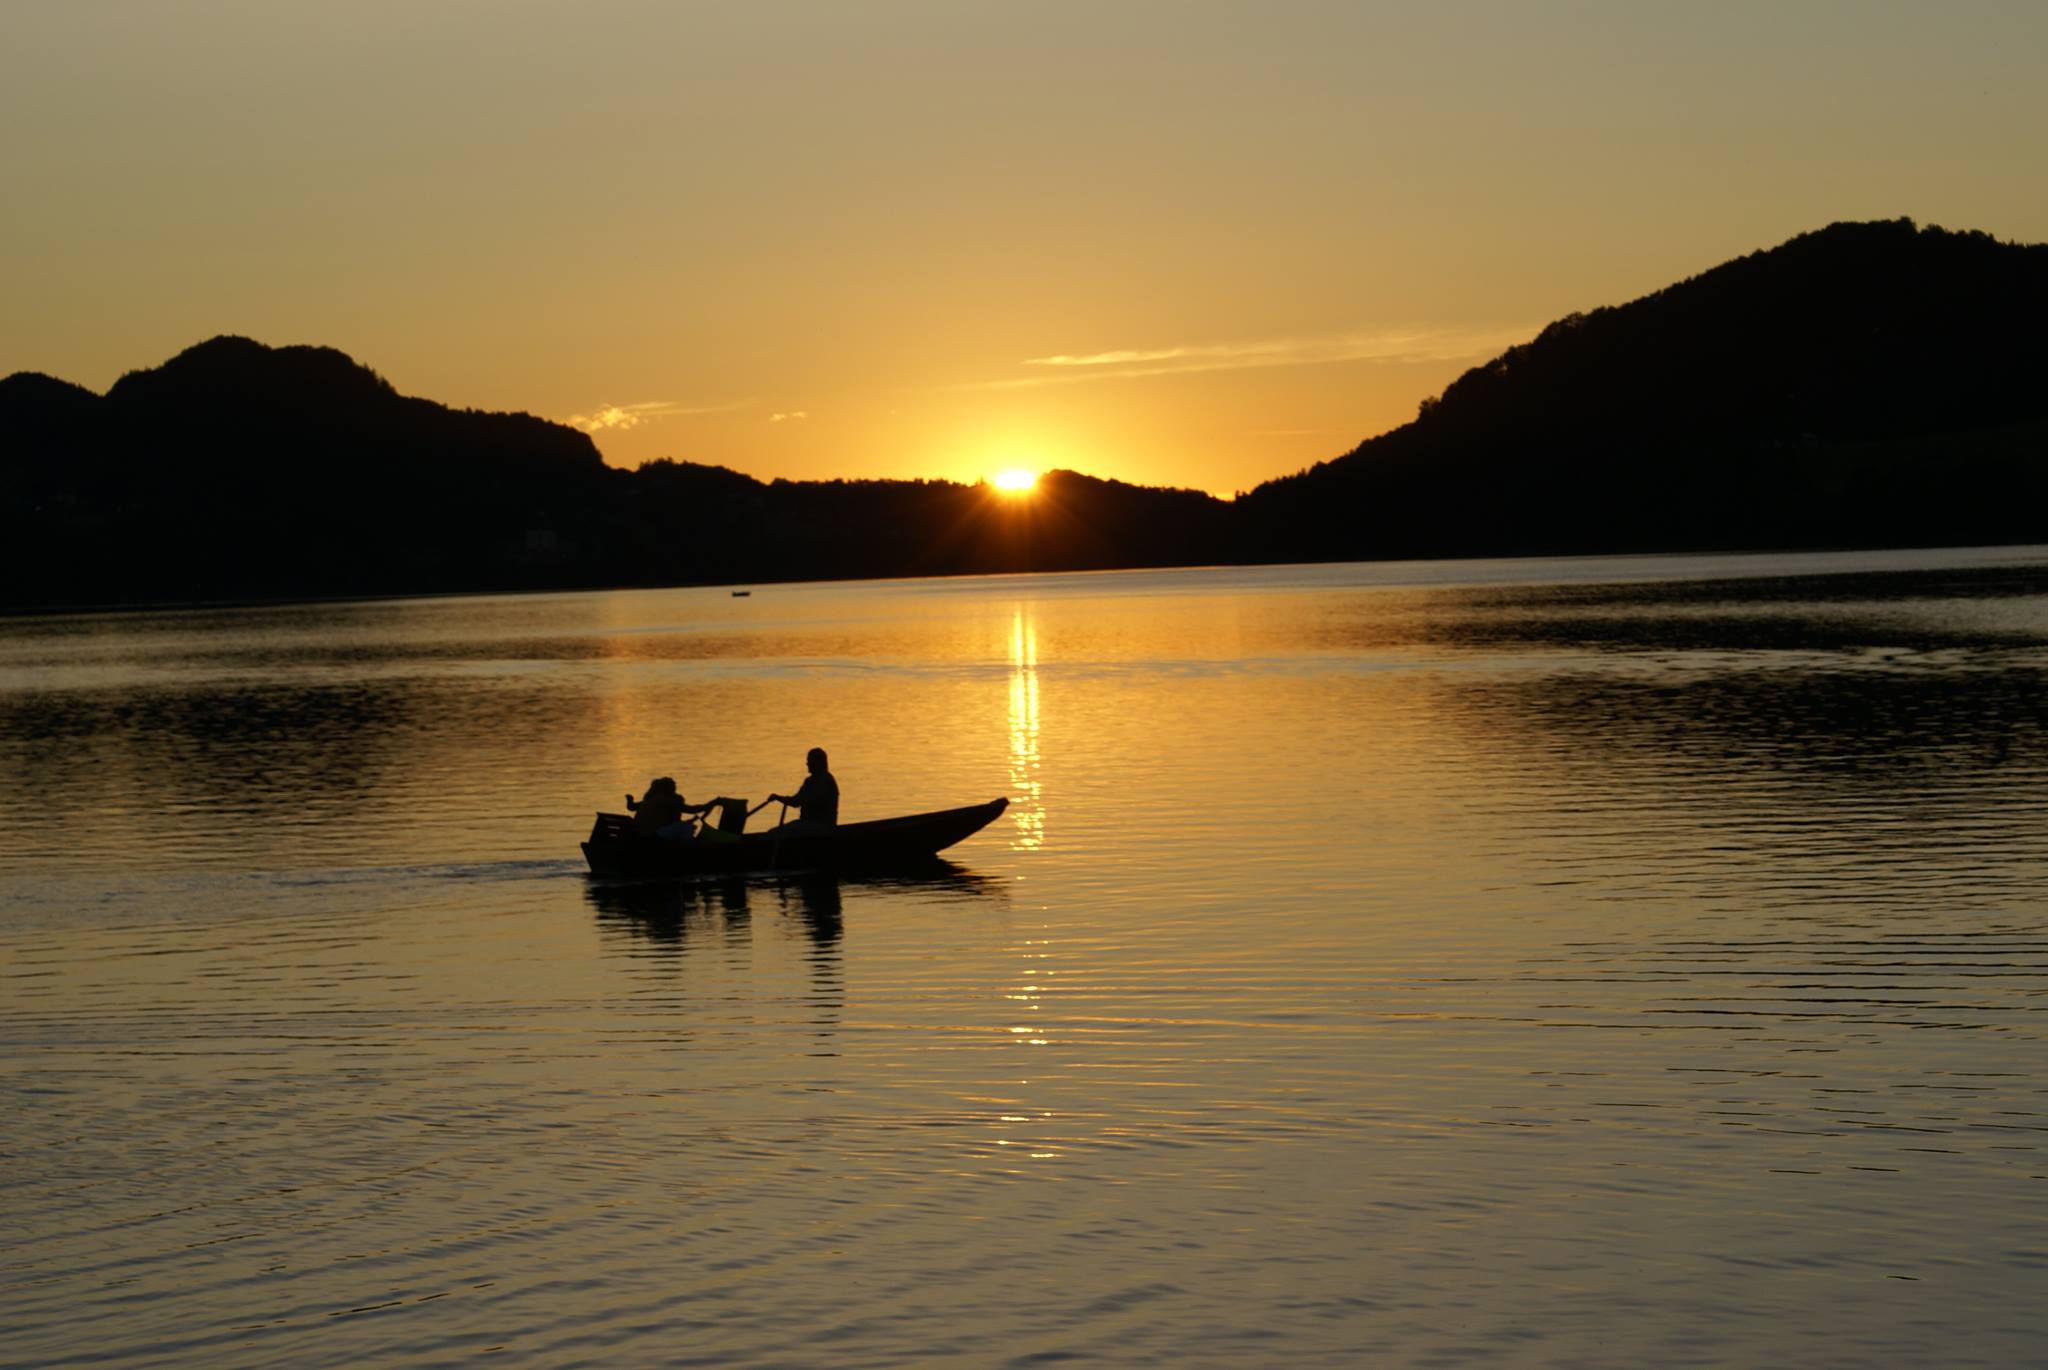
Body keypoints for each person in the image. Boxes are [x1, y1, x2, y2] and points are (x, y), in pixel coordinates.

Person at [768, 747, 839, 835]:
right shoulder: (809, 781)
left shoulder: (825, 780)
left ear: (818, 763)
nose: (807, 764)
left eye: (810, 761)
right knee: (773, 832)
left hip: (821, 826)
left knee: (774, 834)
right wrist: (778, 798)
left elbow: (799, 801)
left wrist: (779, 798)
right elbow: (796, 801)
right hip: (807, 824)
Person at [627, 776, 715, 840]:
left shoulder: (649, 800)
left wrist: (630, 800)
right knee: (686, 827)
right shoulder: (667, 800)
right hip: (652, 835)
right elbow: (691, 810)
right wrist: (711, 804)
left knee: (683, 826)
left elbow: (631, 807)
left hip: (641, 834)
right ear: (668, 788)